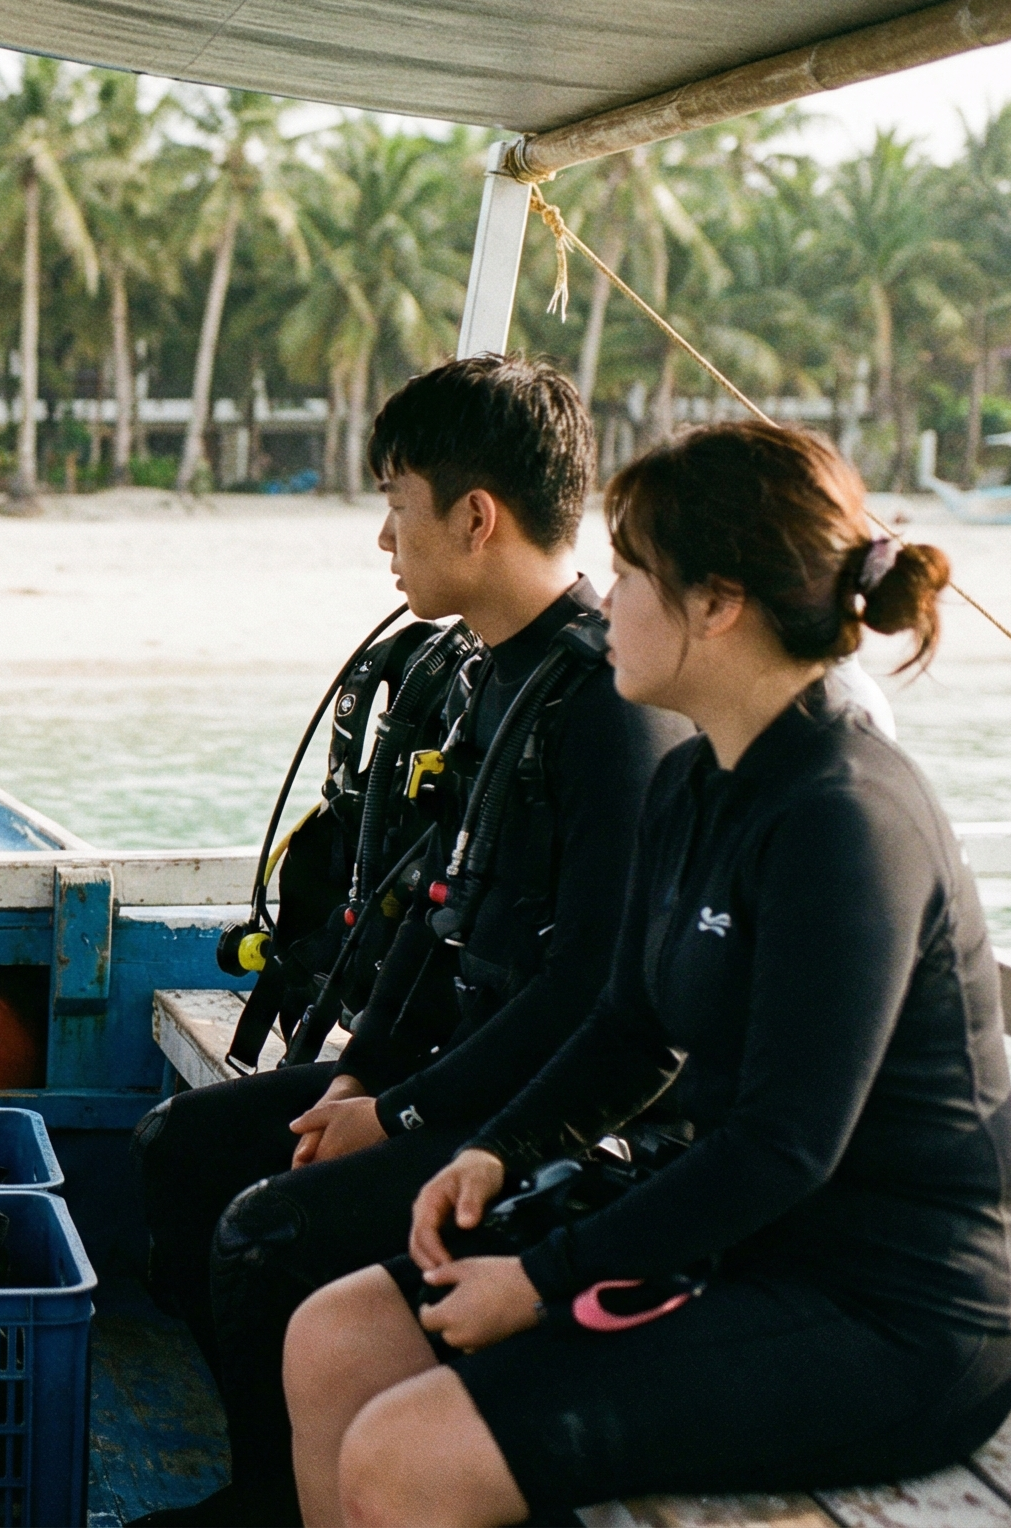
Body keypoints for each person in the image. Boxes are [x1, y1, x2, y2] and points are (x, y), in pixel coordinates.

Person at [283, 421, 1011, 1528]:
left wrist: (538, 1281)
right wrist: (495, 1150)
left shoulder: (843, 818)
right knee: (335, 1340)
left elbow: (785, 1146)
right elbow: (629, 1029)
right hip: (738, 1244)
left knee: (404, 1456)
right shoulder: (696, 782)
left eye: (629, 573)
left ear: (718, 603)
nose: (608, 599)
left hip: (888, 1313)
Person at [130, 356, 687, 1526]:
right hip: (451, 1073)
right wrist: (360, 1070)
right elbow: (420, 907)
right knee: (182, 1146)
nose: (383, 538)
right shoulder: (493, 676)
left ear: (473, 516)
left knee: (266, 1233)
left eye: (396, 502)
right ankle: (264, 1482)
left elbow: (594, 991)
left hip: (550, 1126)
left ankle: (286, 1501)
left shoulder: (604, 712)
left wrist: (400, 1117)